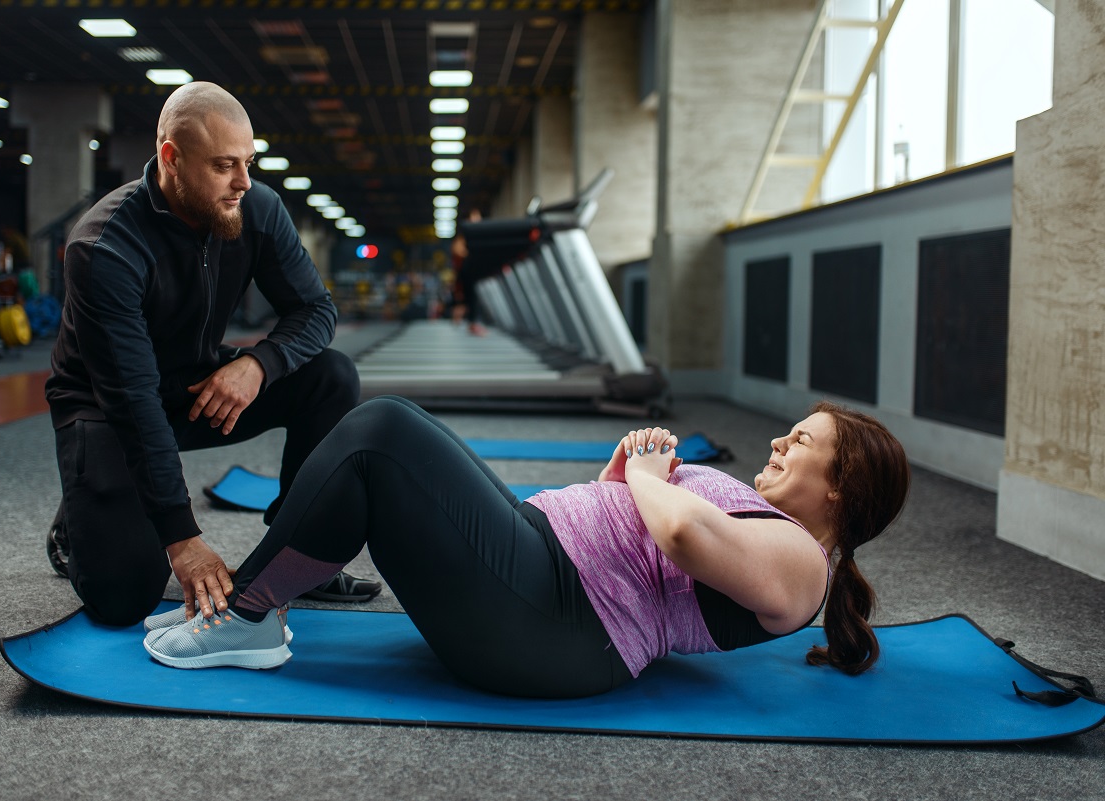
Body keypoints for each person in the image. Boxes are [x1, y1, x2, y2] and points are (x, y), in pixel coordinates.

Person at [142, 395, 911, 698]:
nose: (778, 442)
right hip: (544, 572)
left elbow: (680, 533)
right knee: (401, 426)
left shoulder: (805, 566)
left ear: (839, 489)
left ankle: (247, 614)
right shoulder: (770, 519)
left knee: (380, 432)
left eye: (800, 441)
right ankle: (257, 606)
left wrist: (647, 477)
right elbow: (652, 545)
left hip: (554, 624)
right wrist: (618, 480)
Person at [44, 81, 380, 628]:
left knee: (331, 376)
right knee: (123, 599)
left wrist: (258, 363)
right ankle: (78, 517)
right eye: (224, 165)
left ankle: (299, 551)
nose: (243, 181)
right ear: (171, 158)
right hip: (105, 408)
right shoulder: (104, 245)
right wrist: (182, 539)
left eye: (248, 162)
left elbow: (316, 310)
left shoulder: (255, 207)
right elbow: (132, 399)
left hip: (196, 384)